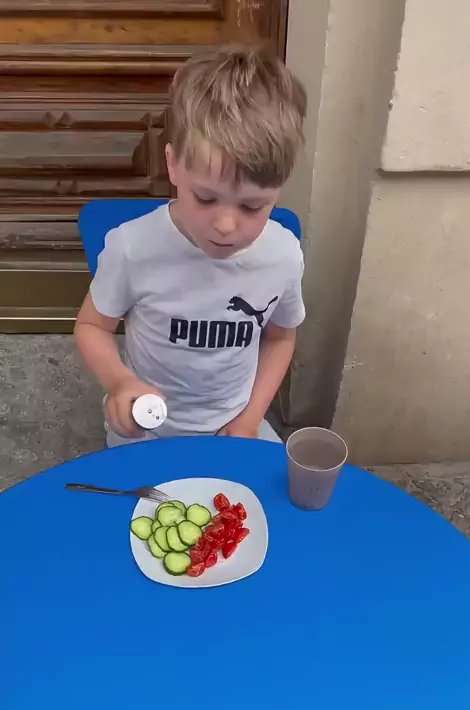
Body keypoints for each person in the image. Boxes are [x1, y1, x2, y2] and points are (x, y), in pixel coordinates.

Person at [75, 44, 307, 447]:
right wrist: (120, 382)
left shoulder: (282, 256)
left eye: (253, 206)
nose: (226, 225)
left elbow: (281, 338)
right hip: (147, 426)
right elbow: (92, 325)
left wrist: (250, 419)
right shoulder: (133, 247)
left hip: (236, 423)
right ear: (172, 164)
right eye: (205, 197)